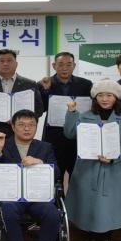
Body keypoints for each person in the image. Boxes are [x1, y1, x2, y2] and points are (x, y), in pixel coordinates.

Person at [63, 79, 121, 241]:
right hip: (87, 168)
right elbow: (70, 133)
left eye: (109, 95)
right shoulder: (85, 115)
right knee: (87, 203)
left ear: (116, 98)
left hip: (112, 169)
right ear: (95, 98)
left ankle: (106, 239)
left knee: (108, 206)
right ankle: (89, 238)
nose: (105, 99)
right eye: (101, 95)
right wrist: (72, 112)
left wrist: (115, 156)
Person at [0, 110, 59, 241]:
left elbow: (56, 171)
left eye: (31, 125)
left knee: (52, 212)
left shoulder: (45, 147)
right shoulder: (4, 145)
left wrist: (40, 162)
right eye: (21, 125)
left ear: (36, 127)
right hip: (13, 197)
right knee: (7, 208)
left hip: (38, 197)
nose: (27, 129)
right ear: (13, 127)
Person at [39, 52, 92, 183]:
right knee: (54, 178)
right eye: (60, 64)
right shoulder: (43, 83)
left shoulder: (85, 84)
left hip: (77, 137)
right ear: (54, 65)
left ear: (74, 66)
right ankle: (56, 204)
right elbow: (41, 109)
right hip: (53, 138)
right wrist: (46, 91)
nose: (65, 68)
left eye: (69, 64)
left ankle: (74, 204)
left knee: (77, 178)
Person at [0, 49, 44, 140]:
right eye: (1, 61)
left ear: (16, 64)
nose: (5, 64)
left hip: (23, 133)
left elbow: (39, 109)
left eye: (9, 61)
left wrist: (21, 120)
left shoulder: (30, 84)